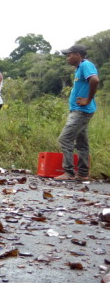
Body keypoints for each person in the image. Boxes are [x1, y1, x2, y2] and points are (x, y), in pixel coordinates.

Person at [54, 44, 99, 181]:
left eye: (69, 55)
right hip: (79, 110)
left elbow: (95, 80)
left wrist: (88, 99)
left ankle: (69, 172)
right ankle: (83, 173)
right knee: (81, 143)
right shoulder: (80, 68)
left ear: (78, 55)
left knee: (65, 139)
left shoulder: (86, 65)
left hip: (81, 111)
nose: (67, 58)